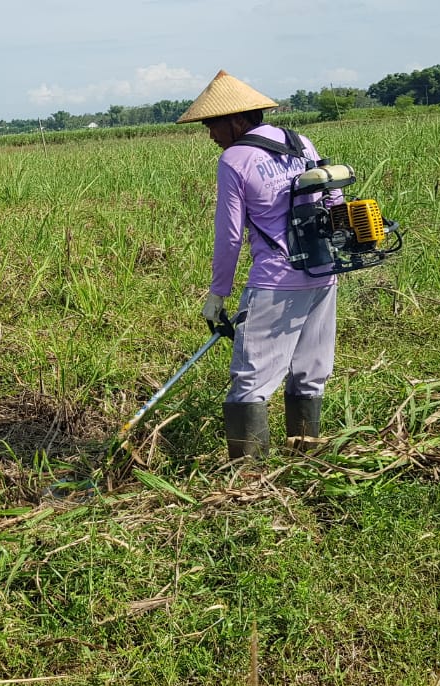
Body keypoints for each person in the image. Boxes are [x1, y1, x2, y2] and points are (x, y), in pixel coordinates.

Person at [177, 70, 342, 459]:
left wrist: (218, 293)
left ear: (236, 119)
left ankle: (249, 480)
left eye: (211, 125)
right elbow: (332, 200)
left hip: (274, 282)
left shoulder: (234, 159)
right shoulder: (300, 143)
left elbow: (230, 236)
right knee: (308, 375)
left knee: (249, 382)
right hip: (323, 275)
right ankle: (305, 459)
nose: (209, 135)